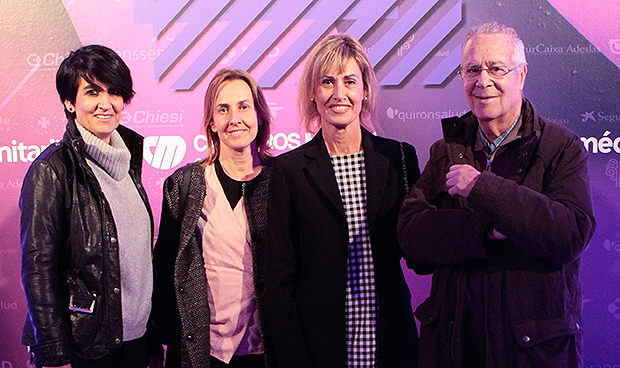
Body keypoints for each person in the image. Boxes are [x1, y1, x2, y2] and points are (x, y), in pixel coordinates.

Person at [397, 22, 596, 367]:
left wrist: (482, 188)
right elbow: (411, 236)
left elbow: (569, 234)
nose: (483, 81)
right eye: (472, 70)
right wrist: (486, 232)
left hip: (531, 353)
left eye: (496, 68)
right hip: (453, 349)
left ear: (521, 75)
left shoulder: (561, 146)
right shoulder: (446, 149)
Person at [265, 34, 420, 368]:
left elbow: (420, 252)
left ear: (364, 90)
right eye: (327, 82)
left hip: (389, 339)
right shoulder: (287, 171)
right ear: (312, 92)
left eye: (349, 81)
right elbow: (277, 280)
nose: (339, 94)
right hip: (320, 345)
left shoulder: (399, 159)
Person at [20, 45, 155, 368]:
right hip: (83, 348)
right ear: (70, 101)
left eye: (115, 92)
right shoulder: (52, 169)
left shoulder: (128, 163)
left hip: (134, 344)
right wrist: (54, 354)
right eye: (93, 92)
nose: (106, 104)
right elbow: (38, 268)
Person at [151, 68, 274, 368]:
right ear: (211, 121)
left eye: (244, 106)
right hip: (203, 352)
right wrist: (158, 339)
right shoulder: (185, 185)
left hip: (266, 350)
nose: (235, 118)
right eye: (223, 109)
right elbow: (165, 268)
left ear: (259, 115)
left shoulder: (284, 181)